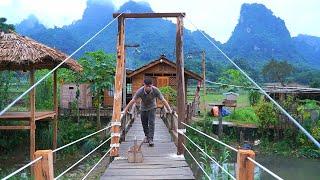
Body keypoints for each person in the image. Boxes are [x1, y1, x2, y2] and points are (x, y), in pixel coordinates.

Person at [123, 77, 173, 146]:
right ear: (144, 85)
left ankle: (151, 139)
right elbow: (133, 100)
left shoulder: (156, 90)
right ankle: (147, 136)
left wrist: (169, 110)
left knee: (151, 122)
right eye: (147, 86)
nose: (148, 88)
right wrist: (125, 110)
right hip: (143, 108)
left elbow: (163, 100)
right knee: (144, 123)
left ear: (152, 85)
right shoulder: (140, 91)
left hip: (152, 107)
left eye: (150, 86)